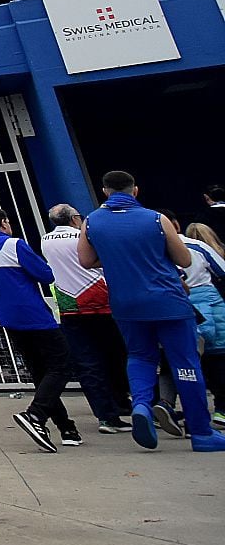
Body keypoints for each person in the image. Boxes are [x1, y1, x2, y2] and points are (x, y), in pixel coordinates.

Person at [79, 170, 223, 453]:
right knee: (185, 362)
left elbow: (86, 260)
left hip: (125, 303)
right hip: (168, 301)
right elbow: (183, 258)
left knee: (140, 357)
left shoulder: (91, 222)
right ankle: (201, 432)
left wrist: (115, 258)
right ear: (135, 191)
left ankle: (142, 405)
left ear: (105, 192)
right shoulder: (157, 219)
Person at [0, 208, 80, 451]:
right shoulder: (14, 245)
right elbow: (46, 275)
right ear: (4, 223)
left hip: (9, 318)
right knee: (62, 365)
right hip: (35, 315)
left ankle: (66, 427)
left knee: (41, 372)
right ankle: (36, 415)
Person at [39, 204, 130, 433]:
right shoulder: (84, 236)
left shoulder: (45, 241)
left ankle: (105, 416)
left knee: (87, 363)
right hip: (101, 303)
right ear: (75, 218)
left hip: (69, 306)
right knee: (118, 357)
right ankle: (124, 403)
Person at [178, 223, 225, 430]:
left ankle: (191, 414)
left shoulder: (154, 248)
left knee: (188, 363)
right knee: (219, 357)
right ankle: (222, 409)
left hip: (177, 303)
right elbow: (221, 270)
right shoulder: (198, 246)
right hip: (209, 301)